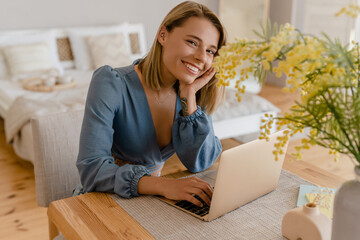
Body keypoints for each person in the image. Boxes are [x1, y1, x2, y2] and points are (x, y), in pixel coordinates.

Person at [76, 1, 227, 208]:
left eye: (210, 51)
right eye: (192, 42)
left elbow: (200, 163)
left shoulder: (191, 90)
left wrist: (189, 99)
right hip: (105, 202)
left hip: (151, 202)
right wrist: (164, 185)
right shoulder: (111, 82)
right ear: (163, 35)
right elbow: (92, 170)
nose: (202, 57)